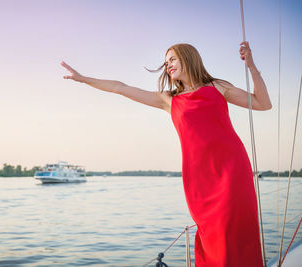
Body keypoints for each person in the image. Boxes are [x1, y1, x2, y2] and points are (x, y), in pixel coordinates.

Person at [61, 41, 271, 267]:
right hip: (200, 179)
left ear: (188, 58)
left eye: (172, 59)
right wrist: (83, 79)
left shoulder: (217, 87)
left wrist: (251, 66)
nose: (168, 64)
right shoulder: (169, 100)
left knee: (235, 230)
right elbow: (119, 87)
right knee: (213, 236)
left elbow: (263, 103)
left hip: (232, 170)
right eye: (166, 61)